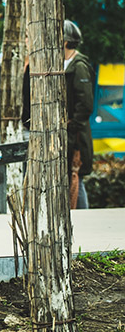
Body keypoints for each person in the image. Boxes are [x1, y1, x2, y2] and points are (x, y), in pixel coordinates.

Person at [64, 20, 94, 210]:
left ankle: (83, 216)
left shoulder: (79, 65)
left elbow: (85, 103)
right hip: (70, 131)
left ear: (66, 41)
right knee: (72, 178)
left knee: (76, 178)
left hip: (76, 134)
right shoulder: (66, 63)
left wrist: (72, 124)